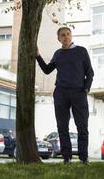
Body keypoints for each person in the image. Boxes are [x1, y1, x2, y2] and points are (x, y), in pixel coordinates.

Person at [36, 27, 94, 165]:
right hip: (61, 93)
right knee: (62, 127)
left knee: (82, 127)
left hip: (79, 93)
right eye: (62, 35)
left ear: (71, 35)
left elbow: (90, 73)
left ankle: (83, 158)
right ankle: (66, 157)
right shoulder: (58, 54)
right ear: (58, 39)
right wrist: (38, 56)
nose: (66, 37)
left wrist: (85, 90)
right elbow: (47, 70)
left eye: (68, 34)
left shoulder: (81, 51)